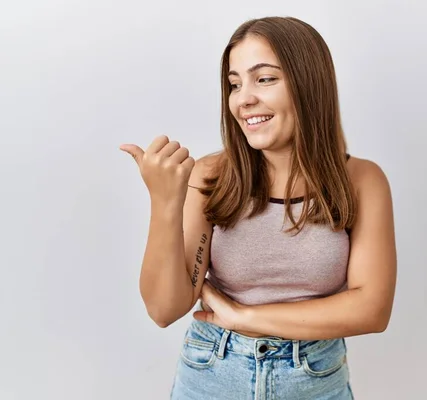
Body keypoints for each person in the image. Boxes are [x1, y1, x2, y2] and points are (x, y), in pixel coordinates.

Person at [120, 16, 396, 400]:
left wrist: (245, 317)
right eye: (234, 84)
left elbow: (371, 309)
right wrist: (166, 202)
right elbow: (165, 309)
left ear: (308, 84)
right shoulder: (211, 175)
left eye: (264, 79)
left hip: (316, 380)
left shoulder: (362, 181)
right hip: (211, 375)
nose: (243, 99)